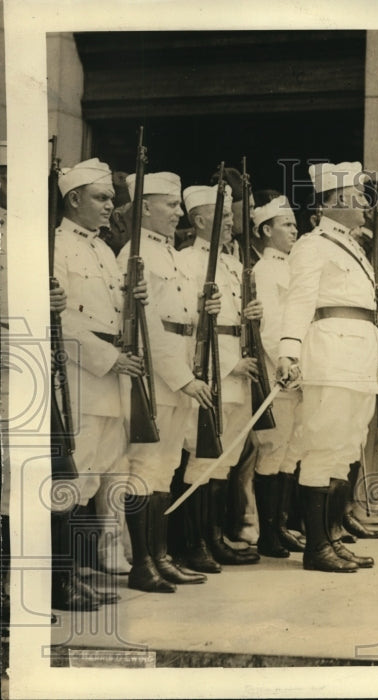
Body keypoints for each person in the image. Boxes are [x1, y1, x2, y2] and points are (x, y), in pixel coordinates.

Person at [116, 171, 222, 591]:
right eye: (171, 205)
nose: (179, 213)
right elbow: (145, 327)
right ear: (145, 207)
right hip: (156, 373)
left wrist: (206, 307)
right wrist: (181, 378)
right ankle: (143, 562)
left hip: (179, 366)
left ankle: (161, 556)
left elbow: (184, 318)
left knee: (166, 466)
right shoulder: (135, 254)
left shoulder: (172, 254)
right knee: (145, 465)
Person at [276, 161, 378, 573]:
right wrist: (288, 350)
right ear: (334, 200)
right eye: (357, 196)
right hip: (332, 356)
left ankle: (333, 538)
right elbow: (299, 300)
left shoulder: (353, 246)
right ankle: (316, 547)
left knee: (345, 450)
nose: (365, 204)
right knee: (322, 449)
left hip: (360, 359)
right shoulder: (313, 244)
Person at [51, 158, 144, 608]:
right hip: (80, 376)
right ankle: (58, 580)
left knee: (94, 477)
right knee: (72, 477)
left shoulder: (105, 251)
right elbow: (61, 318)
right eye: (101, 198)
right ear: (74, 199)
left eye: (111, 198)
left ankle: (76, 572)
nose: (110, 206)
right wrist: (108, 358)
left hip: (111, 377)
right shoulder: (56, 246)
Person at [174, 184, 263, 569]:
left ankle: (214, 537)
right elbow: (194, 324)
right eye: (223, 215)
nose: (231, 222)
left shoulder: (231, 263)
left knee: (226, 458)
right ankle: (194, 543)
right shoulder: (186, 261)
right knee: (203, 455)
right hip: (214, 369)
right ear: (199, 220)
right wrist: (227, 365)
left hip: (240, 367)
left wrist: (256, 316)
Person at [250, 193, 308, 557]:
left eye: (294, 224)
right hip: (280, 372)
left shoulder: (296, 268)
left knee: (292, 450)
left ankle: (281, 526)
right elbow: (270, 326)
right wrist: (287, 362)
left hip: (302, 370)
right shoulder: (265, 270)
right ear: (266, 230)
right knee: (273, 449)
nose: (293, 230)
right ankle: (267, 534)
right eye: (286, 224)